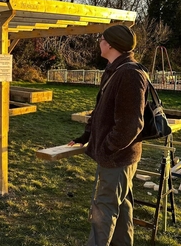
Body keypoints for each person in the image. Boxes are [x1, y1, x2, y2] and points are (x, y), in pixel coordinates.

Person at [68, 25, 147, 246]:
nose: (99, 42)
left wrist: (106, 148)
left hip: (117, 158)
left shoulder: (130, 74)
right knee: (121, 209)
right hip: (118, 156)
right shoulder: (113, 70)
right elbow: (100, 109)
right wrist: (86, 136)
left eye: (101, 39)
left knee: (103, 211)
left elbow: (131, 125)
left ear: (110, 44)